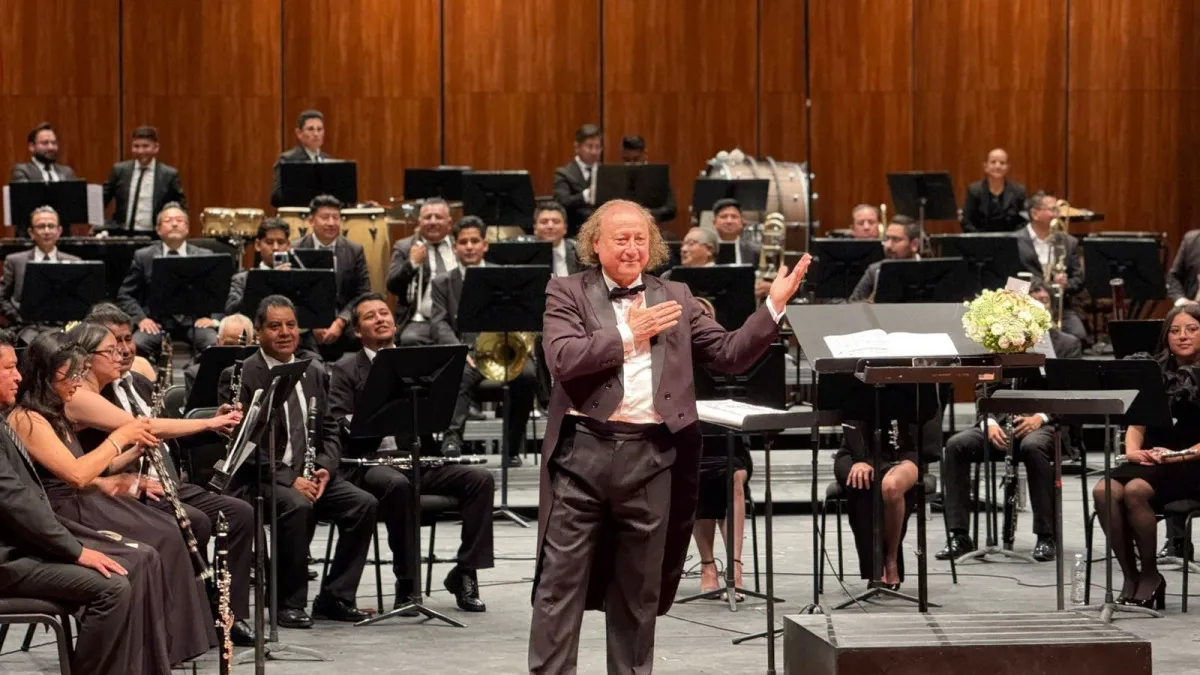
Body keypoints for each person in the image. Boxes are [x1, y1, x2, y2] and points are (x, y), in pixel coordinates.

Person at [527, 199, 809, 674]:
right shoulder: (566, 292)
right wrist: (626, 334)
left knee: (639, 592)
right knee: (559, 588)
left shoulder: (675, 295)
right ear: (596, 244)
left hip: (652, 457)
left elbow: (727, 353)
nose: (633, 248)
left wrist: (772, 306)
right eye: (621, 239)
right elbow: (563, 358)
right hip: (583, 454)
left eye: (641, 238)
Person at [9, 331, 215, 666]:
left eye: (80, 373)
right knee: (143, 555)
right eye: (72, 374)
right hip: (65, 513)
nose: (79, 382)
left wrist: (132, 448)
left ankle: (154, 658)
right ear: (47, 373)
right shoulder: (26, 418)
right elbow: (75, 474)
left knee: (156, 545)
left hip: (81, 501)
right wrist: (119, 439)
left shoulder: (55, 409)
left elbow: (90, 467)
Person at [65, 315, 258, 645]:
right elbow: (140, 432)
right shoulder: (88, 394)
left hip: (166, 482)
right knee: (193, 523)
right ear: (86, 357)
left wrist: (207, 425)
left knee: (239, 513)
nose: (124, 352)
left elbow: (165, 438)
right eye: (113, 347)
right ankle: (183, 620)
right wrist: (208, 424)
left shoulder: (139, 383)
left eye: (127, 342)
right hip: (126, 491)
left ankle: (228, 614)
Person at [328, 292, 495, 612]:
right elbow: (337, 421)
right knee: (398, 485)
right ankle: (408, 584)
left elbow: (440, 409)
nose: (380, 319)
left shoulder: (418, 361)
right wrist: (376, 416)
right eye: (370, 316)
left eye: (384, 313)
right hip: (370, 464)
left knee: (480, 479)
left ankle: (465, 572)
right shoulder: (346, 368)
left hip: (414, 457)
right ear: (357, 331)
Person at [220, 295, 376, 626]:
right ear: (259, 331)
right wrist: (290, 478)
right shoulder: (241, 375)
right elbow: (242, 442)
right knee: (297, 505)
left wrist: (325, 468)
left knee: (362, 504)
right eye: (275, 326)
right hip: (259, 478)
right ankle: (287, 602)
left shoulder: (314, 371)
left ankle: (336, 597)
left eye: (291, 325)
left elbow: (331, 428)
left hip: (309, 474)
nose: (285, 333)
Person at [937, 281, 1082, 563]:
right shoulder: (996, 342)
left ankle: (1046, 536)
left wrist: (1041, 418)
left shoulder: (1066, 344)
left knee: (1032, 446)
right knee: (955, 445)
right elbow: (983, 390)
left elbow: (1072, 394)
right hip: (999, 423)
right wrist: (988, 420)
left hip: (1046, 425)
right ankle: (959, 535)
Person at [1094, 305, 1200, 609]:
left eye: (1192, 329)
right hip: (1152, 459)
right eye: (1175, 330)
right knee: (1105, 490)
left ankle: (1151, 576)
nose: (1182, 336)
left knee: (1136, 491)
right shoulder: (1154, 370)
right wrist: (1131, 451)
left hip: (1192, 462)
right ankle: (1130, 575)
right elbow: (1137, 423)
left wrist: (1178, 456)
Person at [429, 217, 536, 466]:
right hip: (467, 352)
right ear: (455, 247)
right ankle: (452, 439)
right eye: (463, 242)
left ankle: (511, 448)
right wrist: (459, 351)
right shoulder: (442, 283)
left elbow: (522, 315)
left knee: (528, 375)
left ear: (484, 245)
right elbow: (439, 323)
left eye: (474, 241)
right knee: (457, 372)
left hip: (503, 348)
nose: (469, 246)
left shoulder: (505, 277)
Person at [116, 203, 221, 359]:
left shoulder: (205, 255)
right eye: (168, 220)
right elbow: (125, 295)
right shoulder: (143, 256)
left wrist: (214, 320)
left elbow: (220, 292)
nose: (174, 224)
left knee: (214, 344)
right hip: (156, 323)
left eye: (179, 220)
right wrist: (141, 319)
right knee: (135, 346)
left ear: (187, 228)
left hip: (196, 322)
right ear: (158, 230)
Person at [291, 194, 372, 362]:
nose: (331, 223)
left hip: (344, 318)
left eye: (336, 217)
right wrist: (314, 323)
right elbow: (292, 294)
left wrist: (341, 322)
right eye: (325, 217)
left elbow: (362, 293)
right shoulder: (294, 249)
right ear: (311, 221)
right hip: (306, 322)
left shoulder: (354, 250)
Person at [0, 206, 82, 343]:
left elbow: (80, 301)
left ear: (59, 231)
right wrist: (19, 317)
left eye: (51, 226)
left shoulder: (74, 262)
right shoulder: (15, 261)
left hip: (65, 330)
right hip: (26, 329)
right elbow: (1, 297)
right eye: (41, 226)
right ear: (31, 232)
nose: (47, 231)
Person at [385, 198, 458, 345]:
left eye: (438, 217)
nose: (432, 221)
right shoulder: (405, 246)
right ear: (419, 222)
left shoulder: (459, 246)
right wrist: (411, 263)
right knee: (409, 340)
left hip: (454, 319)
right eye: (427, 217)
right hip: (419, 320)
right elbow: (392, 286)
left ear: (449, 223)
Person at [1016, 191, 1086, 343]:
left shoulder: (1069, 242)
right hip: (1025, 305)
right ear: (1035, 213)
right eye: (1052, 210)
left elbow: (1079, 280)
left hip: (1060, 307)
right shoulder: (1015, 242)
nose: (1057, 214)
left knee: (1077, 336)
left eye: (1057, 210)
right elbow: (1010, 278)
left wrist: (1065, 284)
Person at [102, 125, 188, 233]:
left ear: (156, 147)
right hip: (122, 233)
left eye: (145, 146)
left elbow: (181, 207)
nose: (140, 151)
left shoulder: (169, 175)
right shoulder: (119, 170)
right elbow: (102, 200)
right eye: (136, 146)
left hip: (154, 235)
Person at [226, 218, 295, 315]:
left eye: (280, 242)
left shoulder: (297, 277)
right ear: (258, 245)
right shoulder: (241, 279)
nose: (275, 248)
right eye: (269, 242)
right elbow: (231, 311)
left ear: (288, 245)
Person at [848, 215, 920, 302]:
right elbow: (852, 305)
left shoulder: (930, 271)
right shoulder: (875, 270)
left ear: (914, 244)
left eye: (896, 240)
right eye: (887, 239)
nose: (888, 245)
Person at [271, 110, 335, 207]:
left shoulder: (329, 160)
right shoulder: (287, 160)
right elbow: (276, 197)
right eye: (310, 129)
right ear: (299, 133)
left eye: (319, 129)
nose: (316, 134)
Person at [552, 124, 602, 236]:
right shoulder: (564, 173)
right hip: (574, 233)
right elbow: (561, 202)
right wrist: (586, 195)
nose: (594, 152)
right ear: (577, 147)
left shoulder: (605, 173)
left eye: (597, 147)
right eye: (589, 146)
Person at [961, 148, 1027, 233]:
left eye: (1002, 163)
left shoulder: (1019, 191)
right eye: (993, 162)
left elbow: (1024, 221)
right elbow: (967, 221)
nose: (997, 166)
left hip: (1011, 241)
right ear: (985, 166)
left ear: (1007, 167)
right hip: (980, 241)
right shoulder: (974, 190)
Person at [620, 135, 677, 224]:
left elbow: (671, 209)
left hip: (650, 226)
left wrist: (650, 213)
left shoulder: (657, 176)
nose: (632, 165)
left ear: (645, 154)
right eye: (627, 160)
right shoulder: (617, 176)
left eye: (636, 159)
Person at [9, 122, 78, 185]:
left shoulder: (66, 172)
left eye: (54, 143)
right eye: (45, 143)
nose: (51, 147)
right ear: (32, 147)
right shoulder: (23, 171)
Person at [533, 201, 581, 277]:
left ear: (565, 228)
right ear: (535, 228)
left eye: (556, 222)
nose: (550, 226)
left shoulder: (579, 253)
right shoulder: (525, 255)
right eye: (544, 222)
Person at [1166, 227, 1200, 307]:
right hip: (1192, 312)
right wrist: (1181, 300)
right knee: (1172, 316)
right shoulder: (1191, 240)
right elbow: (1173, 277)